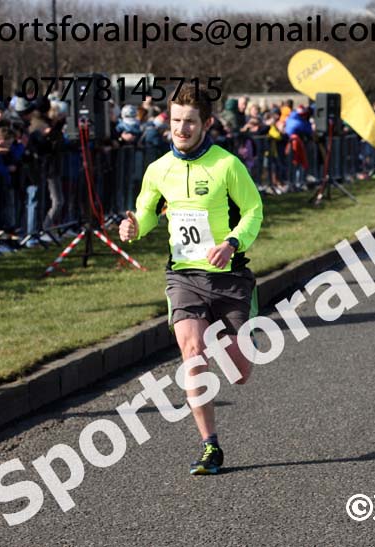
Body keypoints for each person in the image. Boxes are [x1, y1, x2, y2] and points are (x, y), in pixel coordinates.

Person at [119, 84, 263, 475]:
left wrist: (232, 242)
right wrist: (135, 226)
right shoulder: (158, 168)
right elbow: (146, 212)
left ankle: (233, 327)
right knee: (191, 352)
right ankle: (209, 446)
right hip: (184, 275)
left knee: (240, 373)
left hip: (229, 276)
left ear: (207, 123)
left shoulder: (226, 165)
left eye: (189, 122)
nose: (181, 129)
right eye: (176, 121)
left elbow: (253, 211)